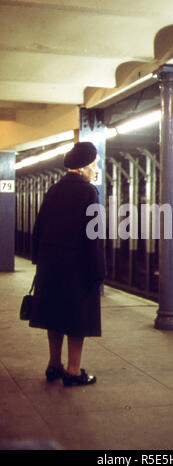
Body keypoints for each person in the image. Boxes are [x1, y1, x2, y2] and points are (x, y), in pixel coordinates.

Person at [30, 141, 106, 386]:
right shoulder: (88, 191)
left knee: (54, 315)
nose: (97, 169)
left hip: (51, 266)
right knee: (77, 319)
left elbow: (39, 228)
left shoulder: (54, 189)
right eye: (95, 164)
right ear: (83, 166)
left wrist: (38, 260)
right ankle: (73, 371)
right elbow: (92, 235)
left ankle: (54, 365)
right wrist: (98, 269)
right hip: (78, 268)